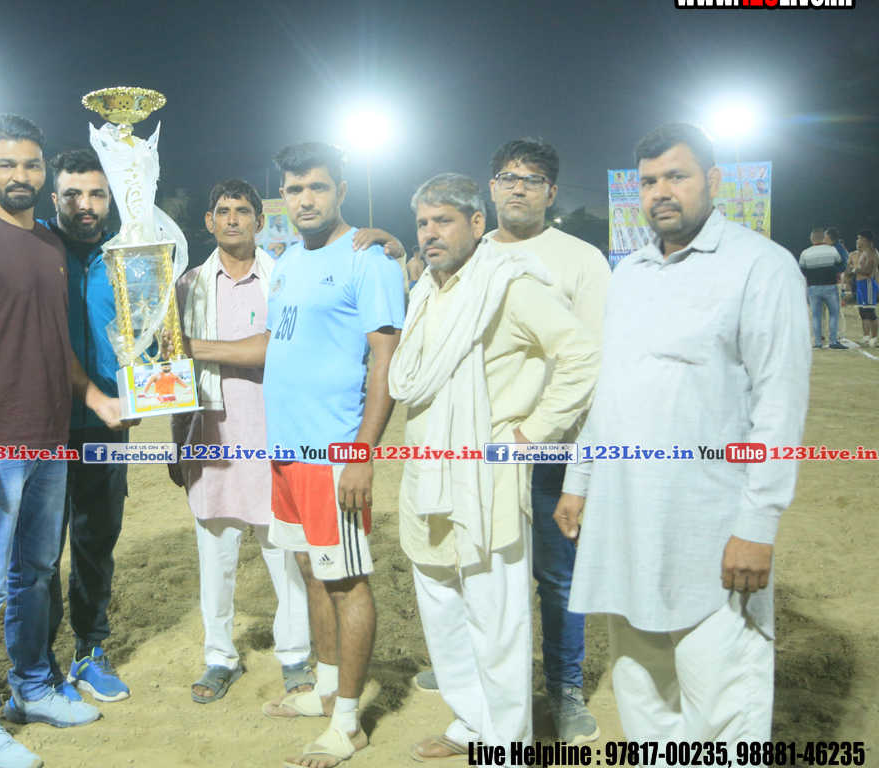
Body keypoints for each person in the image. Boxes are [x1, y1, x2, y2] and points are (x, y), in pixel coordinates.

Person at [555, 122, 811, 743]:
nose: (661, 192)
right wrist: (580, 479)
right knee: (642, 692)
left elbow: (779, 406)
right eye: (648, 181)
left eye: (677, 176)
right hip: (626, 517)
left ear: (713, 181)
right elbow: (611, 387)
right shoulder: (631, 273)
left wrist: (757, 525)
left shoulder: (761, 266)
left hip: (710, 526)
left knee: (724, 706)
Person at [187, 143, 404, 767]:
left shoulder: (367, 259)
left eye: (317, 187)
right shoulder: (285, 264)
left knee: (347, 582)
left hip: (333, 452)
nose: (305, 200)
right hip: (284, 452)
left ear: (340, 190)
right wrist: (189, 347)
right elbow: (276, 343)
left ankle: (349, 722)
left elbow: (385, 360)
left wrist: (361, 452)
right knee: (310, 571)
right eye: (294, 189)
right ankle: (326, 690)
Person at [0, 115, 125, 768]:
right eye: (6, 164)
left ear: (44, 172)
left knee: (35, 574)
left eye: (30, 164)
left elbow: (55, 343)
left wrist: (94, 398)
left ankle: (31, 689)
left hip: (51, 441)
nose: (20, 175)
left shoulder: (46, 243)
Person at [391, 172, 599, 755]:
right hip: (425, 472)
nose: (430, 233)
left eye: (444, 220)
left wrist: (532, 434)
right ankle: (471, 723)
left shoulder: (508, 285)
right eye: (423, 223)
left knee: (496, 620)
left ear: (477, 223)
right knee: (441, 608)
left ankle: (507, 745)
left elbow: (583, 355)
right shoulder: (425, 290)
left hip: (488, 478)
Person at [479, 139, 609, 743]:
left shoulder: (582, 259)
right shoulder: (470, 253)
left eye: (531, 179)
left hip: (552, 449)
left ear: (552, 192)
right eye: (507, 177)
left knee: (556, 578)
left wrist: (578, 466)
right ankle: (479, 677)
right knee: (482, 570)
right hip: (482, 449)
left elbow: (596, 365)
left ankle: (565, 687)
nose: (518, 187)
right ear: (491, 187)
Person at [168, 179, 313, 704]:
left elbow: (276, 350)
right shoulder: (186, 285)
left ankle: (295, 656)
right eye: (223, 211)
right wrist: (178, 441)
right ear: (209, 221)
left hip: (275, 441)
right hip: (211, 442)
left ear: (260, 221)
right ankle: (219, 658)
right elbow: (173, 374)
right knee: (216, 561)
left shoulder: (285, 278)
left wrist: (194, 347)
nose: (232, 219)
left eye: (243, 211)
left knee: (284, 556)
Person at [799, 229, 847, 349]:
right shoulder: (832, 250)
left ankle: (818, 342)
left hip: (813, 287)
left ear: (812, 238)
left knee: (816, 315)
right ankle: (833, 341)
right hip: (830, 286)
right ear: (823, 238)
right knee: (834, 313)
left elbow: (801, 270)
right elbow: (838, 263)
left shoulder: (805, 252)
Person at [848, 230, 878, 346]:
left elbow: (869, 271)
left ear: (864, 240)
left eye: (858, 238)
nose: (857, 241)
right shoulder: (865, 252)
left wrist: (855, 270)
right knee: (862, 312)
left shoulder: (872, 252)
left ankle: (874, 338)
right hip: (860, 284)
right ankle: (866, 337)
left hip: (867, 283)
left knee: (870, 312)